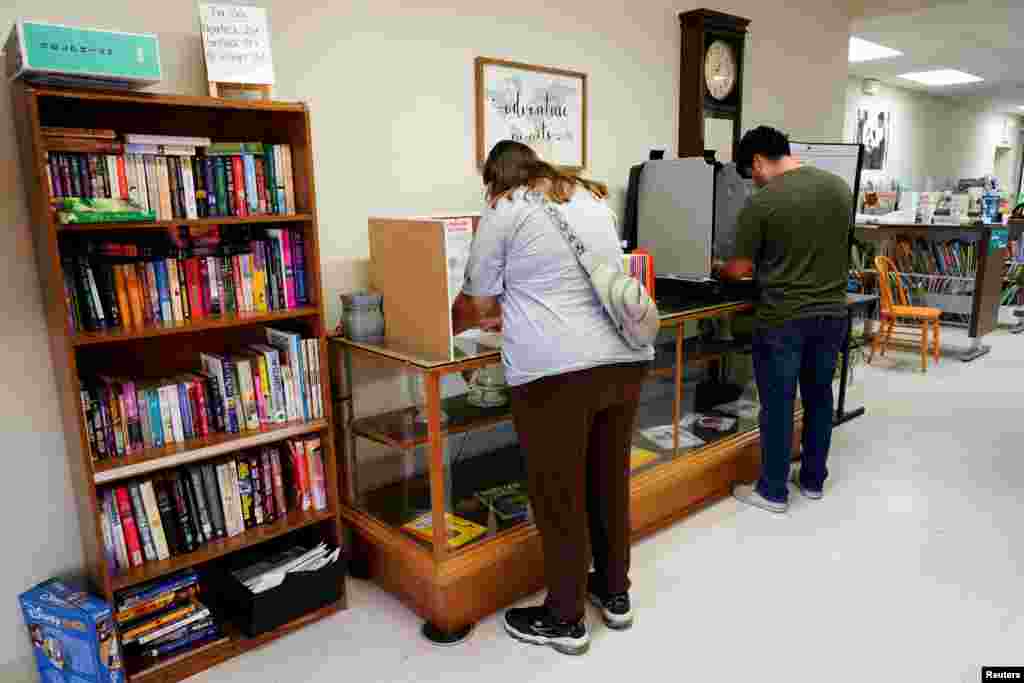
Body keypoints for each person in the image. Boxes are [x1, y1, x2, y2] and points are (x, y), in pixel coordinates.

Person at [451, 141, 653, 655]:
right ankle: (615, 593)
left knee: (558, 495)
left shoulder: (504, 208)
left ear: (495, 179)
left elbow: (474, 305)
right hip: (624, 359)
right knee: (608, 482)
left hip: (556, 373)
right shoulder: (588, 196)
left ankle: (564, 618)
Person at [718, 126, 851, 513]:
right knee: (819, 397)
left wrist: (722, 269)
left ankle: (772, 491)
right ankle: (812, 480)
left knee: (777, 404)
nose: (752, 181)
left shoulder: (763, 202)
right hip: (831, 313)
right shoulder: (839, 188)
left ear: (758, 161)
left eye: (750, 172)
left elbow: (741, 268)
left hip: (783, 318)